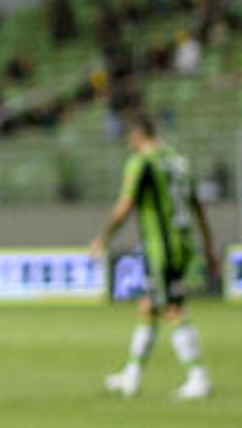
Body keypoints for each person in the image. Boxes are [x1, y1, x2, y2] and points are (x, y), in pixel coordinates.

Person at [90, 109, 219, 400]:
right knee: (148, 306)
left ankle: (198, 376)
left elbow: (125, 207)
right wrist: (209, 246)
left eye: (128, 137)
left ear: (137, 134)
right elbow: (198, 205)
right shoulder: (178, 161)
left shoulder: (143, 163)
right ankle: (132, 375)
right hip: (182, 242)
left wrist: (102, 238)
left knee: (173, 308)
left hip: (162, 247)